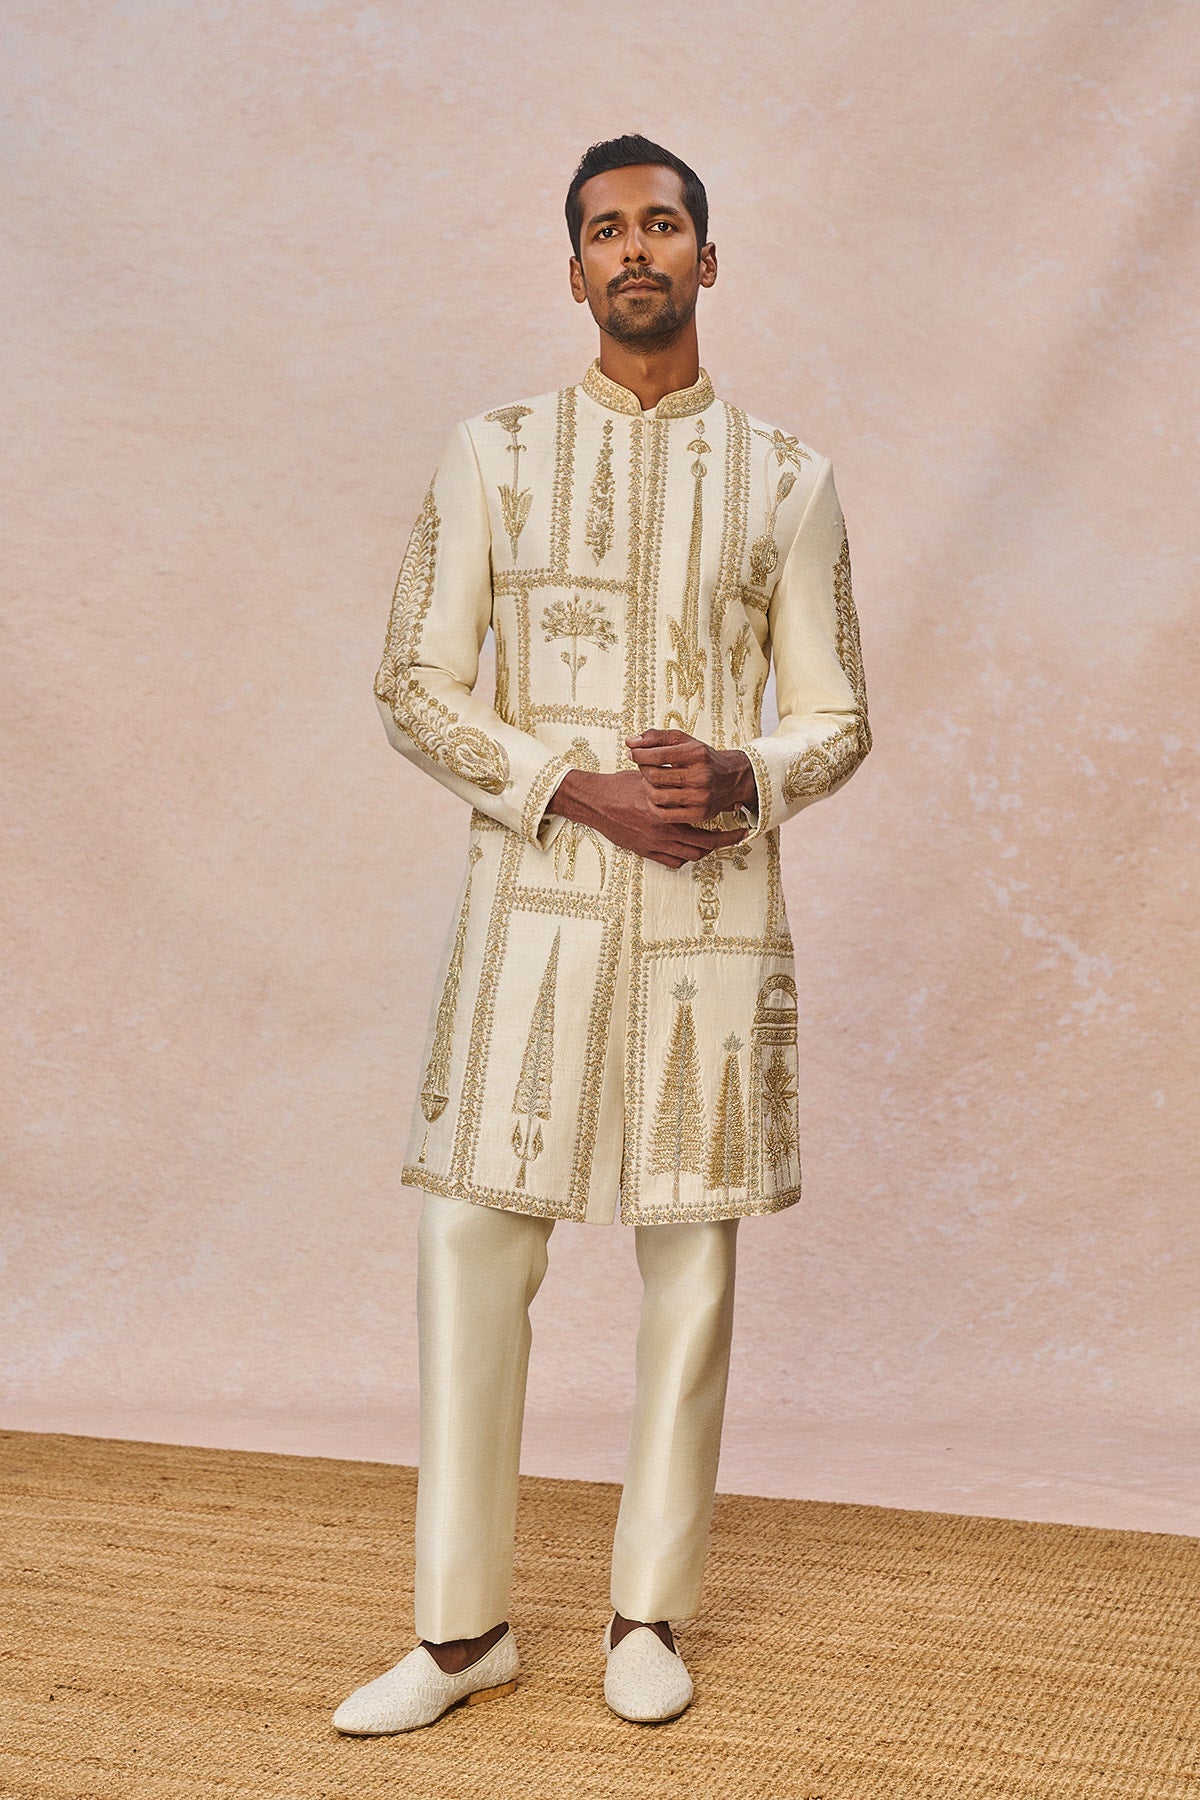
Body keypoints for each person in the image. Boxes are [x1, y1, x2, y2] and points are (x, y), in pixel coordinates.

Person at [333, 133, 871, 1735]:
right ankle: (460, 1634)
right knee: (469, 1247)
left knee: (690, 1267)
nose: (636, 248)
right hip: (533, 910)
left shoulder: (788, 479)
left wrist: (744, 776)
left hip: (710, 920)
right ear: (572, 272)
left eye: (662, 224)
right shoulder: (493, 454)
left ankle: (651, 1613)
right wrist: (569, 787)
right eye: (606, 230)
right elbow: (411, 682)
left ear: (709, 257)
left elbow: (838, 713)